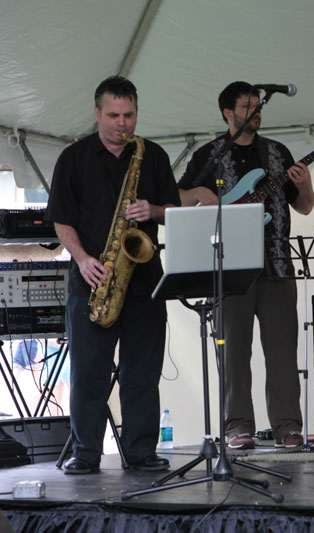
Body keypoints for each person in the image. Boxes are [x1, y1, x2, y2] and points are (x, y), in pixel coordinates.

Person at [46, 76, 180, 474]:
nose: (122, 124)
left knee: (143, 373)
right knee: (88, 372)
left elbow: (173, 210)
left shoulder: (151, 155)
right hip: (92, 281)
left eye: (129, 115)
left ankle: (141, 452)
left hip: (143, 283)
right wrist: (84, 259)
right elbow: (61, 220)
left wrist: (152, 211)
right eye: (113, 116)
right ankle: (86, 453)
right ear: (96, 113)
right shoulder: (73, 158)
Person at [177, 81, 314, 449]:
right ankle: (238, 426)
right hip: (230, 268)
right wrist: (199, 194)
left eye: (257, 106)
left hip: (277, 265)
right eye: (247, 106)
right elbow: (177, 196)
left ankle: (287, 427)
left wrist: (305, 187)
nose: (255, 112)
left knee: (283, 351)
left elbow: (304, 206)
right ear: (228, 113)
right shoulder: (209, 155)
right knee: (234, 352)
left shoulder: (277, 152)